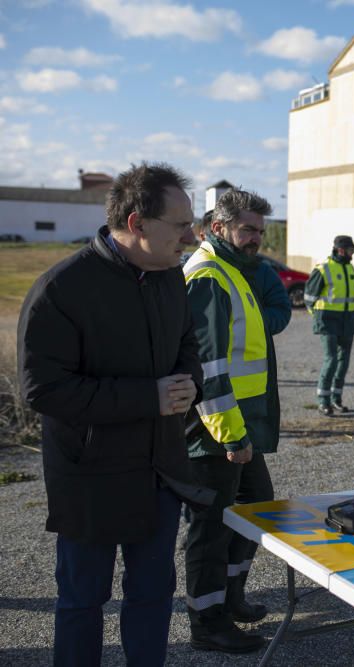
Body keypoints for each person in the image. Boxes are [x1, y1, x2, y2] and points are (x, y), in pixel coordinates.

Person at [18, 162, 215, 666]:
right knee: (83, 601)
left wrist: (188, 382)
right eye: (181, 226)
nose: (192, 237)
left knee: (151, 598)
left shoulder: (169, 275)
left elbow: (187, 344)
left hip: (160, 471)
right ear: (137, 224)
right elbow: (44, 390)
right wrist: (147, 398)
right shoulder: (61, 289)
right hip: (92, 479)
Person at [183, 189, 288, 654]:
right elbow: (208, 368)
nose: (255, 239)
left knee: (256, 508)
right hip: (215, 430)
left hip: (237, 425)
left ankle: (230, 598)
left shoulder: (234, 270)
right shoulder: (208, 276)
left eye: (260, 232)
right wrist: (231, 436)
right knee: (211, 527)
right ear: (218, 227)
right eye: (247, 229)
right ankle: (208, 624)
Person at [305, 235, 354, 415]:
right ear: (341, 250)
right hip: (328, 319)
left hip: (347, 319)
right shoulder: (323, 269)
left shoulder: (350, 268)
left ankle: (336, 399)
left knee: (343, 361)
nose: (353, 253)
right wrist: (318, 317)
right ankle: (323, 400)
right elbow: (309, 298)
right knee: (331, 360)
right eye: (351, 250)